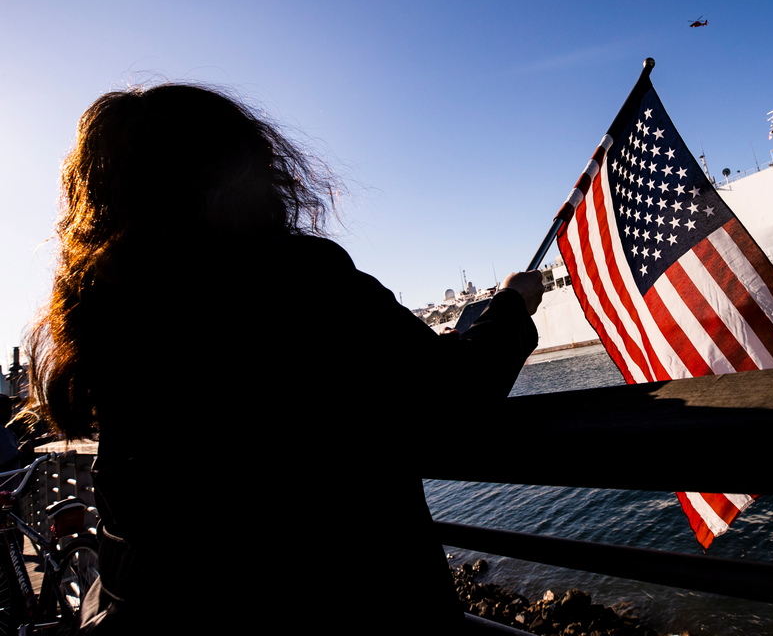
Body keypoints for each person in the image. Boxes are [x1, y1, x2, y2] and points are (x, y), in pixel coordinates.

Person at [26, 83, 543, 633]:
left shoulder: (114, 321)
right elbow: (453, 393)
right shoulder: (297, 278)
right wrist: (512, 307)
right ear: (243, 169)